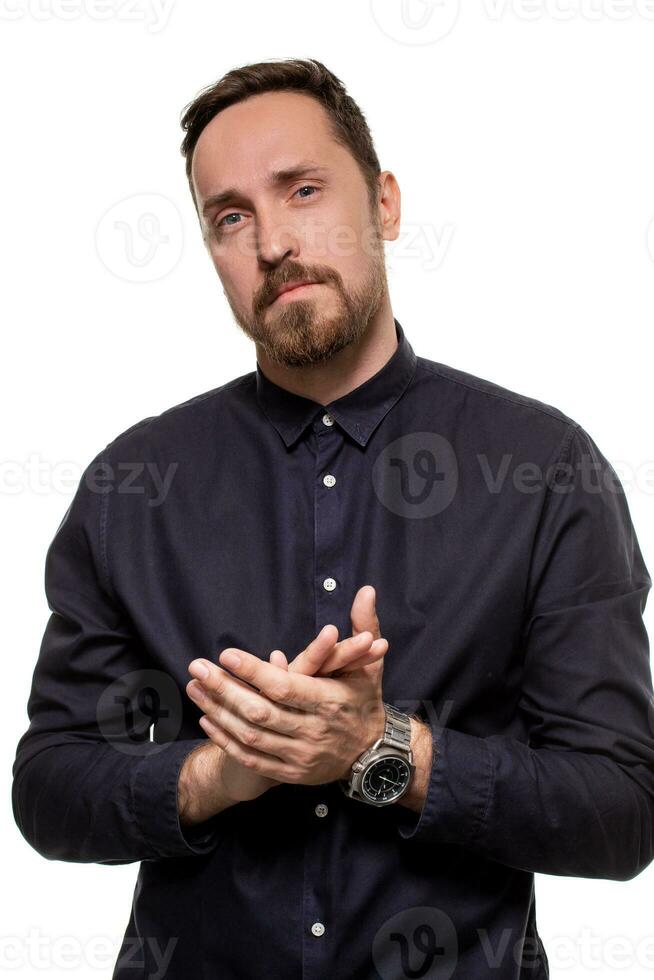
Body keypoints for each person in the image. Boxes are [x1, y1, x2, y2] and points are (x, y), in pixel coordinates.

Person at [12, 57, 654, 980]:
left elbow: (620, 809)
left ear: (384, 206)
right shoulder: (134, 482)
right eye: (230, 216)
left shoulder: (545, 468)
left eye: (303, 190)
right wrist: (212, 777)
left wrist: (379, 750)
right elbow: (50, 786)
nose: (272, 241)